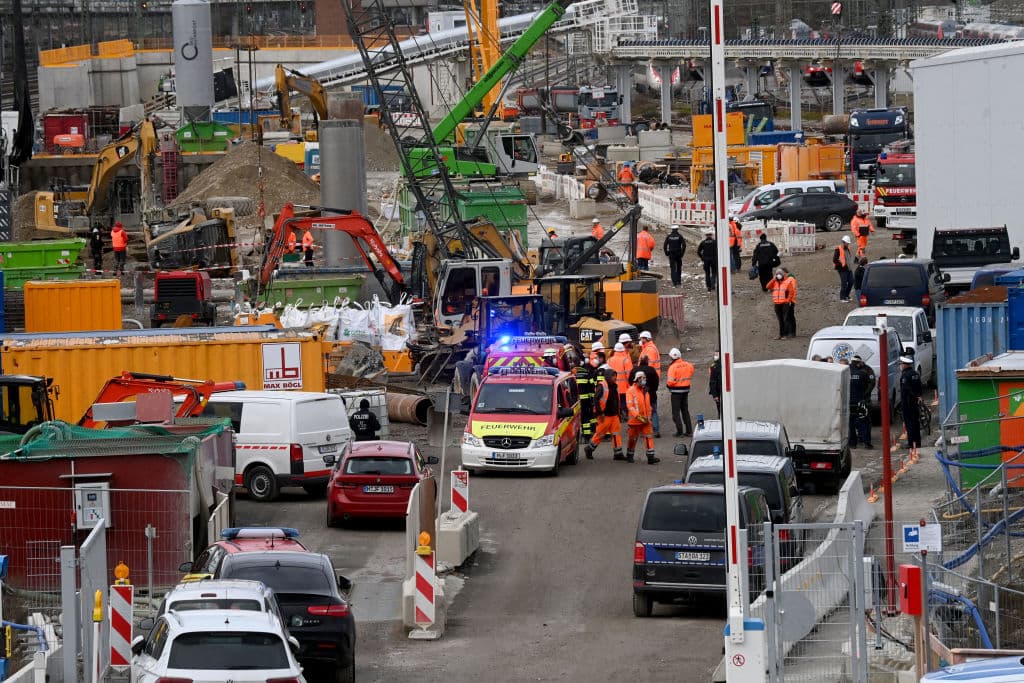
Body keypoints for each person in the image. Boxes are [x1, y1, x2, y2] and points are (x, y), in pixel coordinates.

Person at [585, 364, 625, 461]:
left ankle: (618, 453)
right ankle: (589, 448)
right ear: (608, 376)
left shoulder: (615, 386)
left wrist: (619, 413)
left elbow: (616, 400)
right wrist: (600, 412)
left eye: (615, 376)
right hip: (604, 415)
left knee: (616, 434)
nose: (615, 377)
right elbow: (595, 399)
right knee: (600, 434)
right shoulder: (602, 385)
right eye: (613, 376)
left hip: (614, 415)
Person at [625, 370, 660, 464]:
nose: (643, 380)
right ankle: (630, 455)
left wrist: (649, 416)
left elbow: (648, 406)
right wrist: (638, 416)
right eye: (641, 378)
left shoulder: (645, 391)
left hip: (646, 420)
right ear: (636, 380)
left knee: (648, 437)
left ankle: (651, 457)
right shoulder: (631, 391)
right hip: (635, 421)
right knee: (633, 439)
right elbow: (630, 406)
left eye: (644, 378)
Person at [848, 355, 876, 449]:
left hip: (849, 402)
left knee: (851, 423)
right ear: (858, 363)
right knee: (864, 422)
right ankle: (867, 442)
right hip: (861, 401)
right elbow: (869, 385)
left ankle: (852, 443)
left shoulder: (845, 374)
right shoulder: (863, 374)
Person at [666, 347, 695, 437]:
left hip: (676, 392)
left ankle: (680, 432)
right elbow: (691, 372)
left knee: (676, 412)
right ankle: (689, 431)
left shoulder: (672, 367)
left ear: (671, 357)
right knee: (685, 410)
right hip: (686, 390)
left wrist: (669, 385)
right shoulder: (688, 364)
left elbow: (670, 382)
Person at [900, 355, 923, 451]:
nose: (900, 366)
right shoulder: (915, 373)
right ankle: (917, 442)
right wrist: (918, 396)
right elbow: (920, 386)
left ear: (905, 365)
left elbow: (906, 389)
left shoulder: (905, 375)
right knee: (916, 422)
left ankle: (911, 443)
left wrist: (912, 396)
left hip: (908, 402)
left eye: (901, 364)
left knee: (909, 423)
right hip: (915, 402)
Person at [574, 353, 598, 443]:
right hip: (586, 400)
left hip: (575, 402)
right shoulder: (586, 373)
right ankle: (587, 436)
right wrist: (592, 399)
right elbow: (592, 386)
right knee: (586, 417)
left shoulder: (572, 374)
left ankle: (576, 437)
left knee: (575, 419)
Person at [767, 268, 796, 339]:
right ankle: (781, 334)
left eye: (779, 274)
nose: (778, 275)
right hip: (777, 303)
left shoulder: (787, 281)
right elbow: (767, 286)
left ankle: (785, 334)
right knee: (780, 319)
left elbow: (791, 292)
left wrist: (788, 300)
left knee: (785, 319)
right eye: (777, 274)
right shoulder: (775, 282)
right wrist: (773, 279)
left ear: (783, 274)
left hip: (784, 303)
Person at [637, 356, 661, 438]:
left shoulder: (635, 370)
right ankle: (656, 430)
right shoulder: (652, 370)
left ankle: (642, 431)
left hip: (639, 395)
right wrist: (653, 390)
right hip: (652, 394)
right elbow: (656, 381)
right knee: (654, 412)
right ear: (647, 361)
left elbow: (630, 381)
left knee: (641, 413)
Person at [608, 342, 633, 418]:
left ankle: (617, 416)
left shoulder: (609, 360)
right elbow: (629, 375)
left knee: (615, 401)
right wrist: (630, 386)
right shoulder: (626, 360)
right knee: (624, 401)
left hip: (613, 386)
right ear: (623, 350)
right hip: (624, 387)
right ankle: (624, 414)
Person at [833, 235, 854, 302]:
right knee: (844, 283)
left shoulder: (848, 248)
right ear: (844, 242)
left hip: (848, 269)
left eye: (848, 243)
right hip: (842, 270)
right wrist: (841, 265)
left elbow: (848, 258)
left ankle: (847, 295)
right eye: (847, 243)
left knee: (851, 282)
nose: (848, 244)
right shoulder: (838, 249)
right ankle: (842, 298)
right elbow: (834, 260)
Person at [708, 352, 722, 418]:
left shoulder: (714, 367)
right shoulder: (713, 366)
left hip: (718, 392)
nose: (715, 356)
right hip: (719, 392)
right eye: (714, 355)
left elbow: (712, 381)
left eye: (716, 355)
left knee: (720, 411)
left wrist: (715, 395)